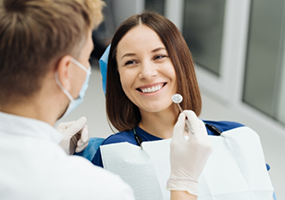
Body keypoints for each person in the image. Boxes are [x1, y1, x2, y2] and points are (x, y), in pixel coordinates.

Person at [0, 0, 212, 199]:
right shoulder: (100, 185)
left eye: (159, 56)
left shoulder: (234, 133)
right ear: (66, 71)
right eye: (85, 58)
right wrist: (184, 184)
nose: (147, 73)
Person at [91, 11, 275, 199]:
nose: (147, 73)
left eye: (159, 56)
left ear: (182, 63)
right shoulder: (113, 153)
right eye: (130, 62)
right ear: (117, 77)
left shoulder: (237, 137)